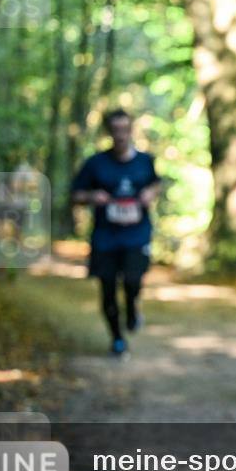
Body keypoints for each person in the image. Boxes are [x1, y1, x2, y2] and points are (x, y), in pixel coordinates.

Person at [72, 109, 161, 356]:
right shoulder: (95, 164)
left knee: (133, 280)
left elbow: (157, 183)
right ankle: (117, 339)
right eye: (115, 130)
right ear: (109, 132)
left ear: (131, 130)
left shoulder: (145, 161)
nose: (120, 135)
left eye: (125, 129)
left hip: (137, 234)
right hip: (106, 237)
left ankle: (133, 308)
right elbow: (75, 195)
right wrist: (92, 196)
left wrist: (150, 194)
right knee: (108, 288)